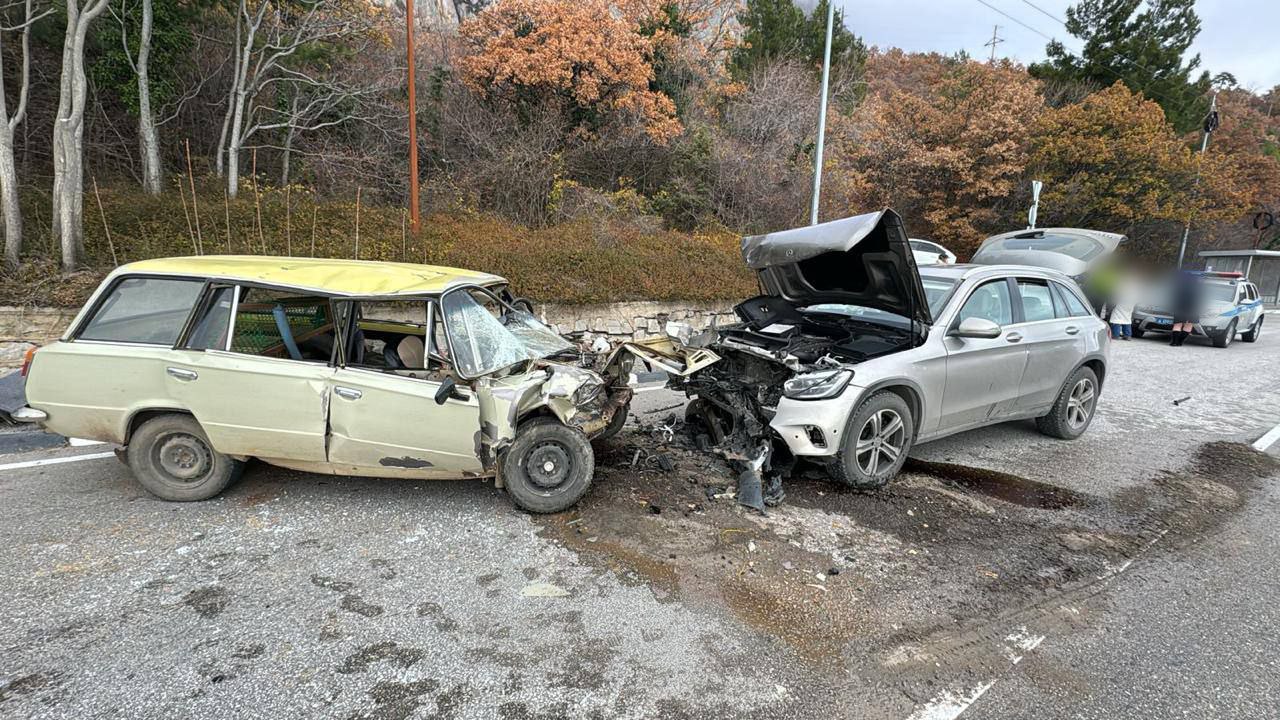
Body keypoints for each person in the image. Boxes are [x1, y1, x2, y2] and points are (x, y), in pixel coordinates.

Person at [1168, 270, 1201, 346]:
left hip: (1180, 306)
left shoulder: (1179, 285)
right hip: (1193, 308)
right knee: (1189, 325)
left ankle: (1174, 342)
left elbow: (1174, 296)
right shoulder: (1198, 287)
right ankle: (1180, 342)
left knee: (1177, 324)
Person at [1108, 276, 1136, 340]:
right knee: (1127, 319)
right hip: (1130, 304)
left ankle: (1115, 334)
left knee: (1116, 318)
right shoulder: (1135, 285)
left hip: (1120, 303)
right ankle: (1127, 335)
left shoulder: (1121, 284)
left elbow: (1116, 294)